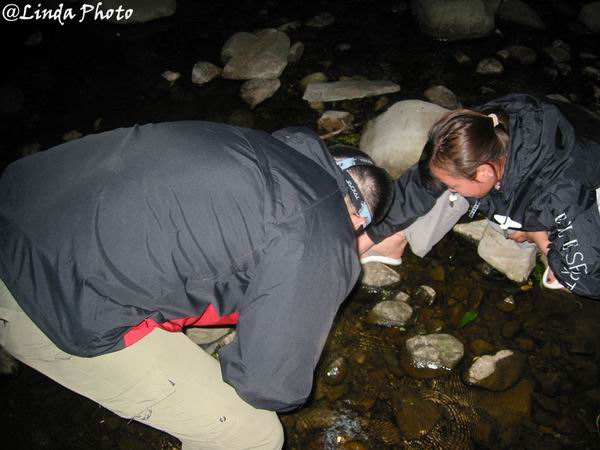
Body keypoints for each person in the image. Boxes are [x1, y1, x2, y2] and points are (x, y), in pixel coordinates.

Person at [0, 121, 393, 449]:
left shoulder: (259, 145)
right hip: (48, 298)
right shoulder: (322, 234)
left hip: (20, 205)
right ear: (359, 222)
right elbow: (270, 387)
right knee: (256, 435)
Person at [359, 92, 600, 299]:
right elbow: (420, 184)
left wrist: (536, 235)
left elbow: (590, 277)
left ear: (484, 172)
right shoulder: (480, 129)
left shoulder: (560, 191)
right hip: (525, 170)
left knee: (571, 269)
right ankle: (394, 241)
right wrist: (364, 239)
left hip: (585, 180)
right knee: (442, 177)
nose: (448, 188)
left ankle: (538, 231)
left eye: (453, 185)